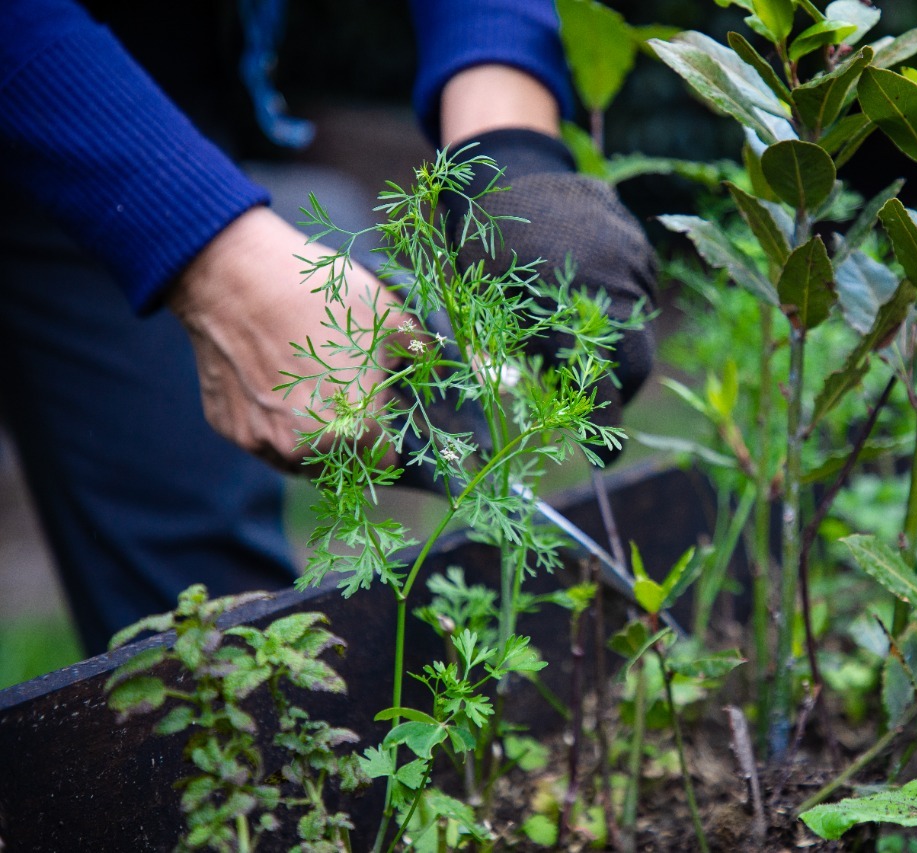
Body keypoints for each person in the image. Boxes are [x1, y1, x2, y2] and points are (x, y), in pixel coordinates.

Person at [0, 0, 656, 656]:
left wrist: (505, 138)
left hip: (146, 75)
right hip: (39, 57)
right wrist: (210, 256)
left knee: (204, 589)